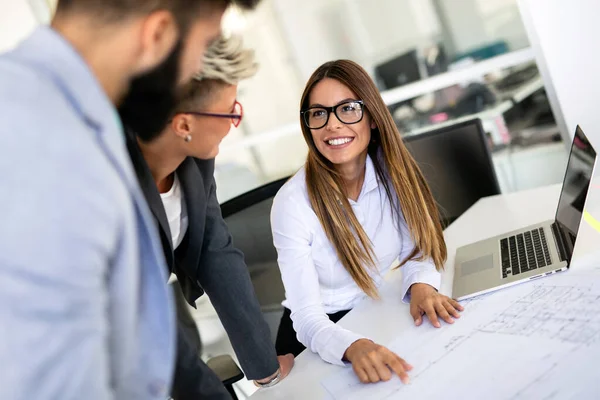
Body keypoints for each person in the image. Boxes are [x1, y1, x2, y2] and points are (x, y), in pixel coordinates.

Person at [0, 1, 258, 399]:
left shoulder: (70, 119)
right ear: (157, 35)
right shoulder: (46, 147)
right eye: (204, 42)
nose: (196, 72)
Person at [271, 59, 464, 384]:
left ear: (372, 117)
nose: (332, 124)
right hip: (317, 339)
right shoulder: (292, 204)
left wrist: (421, 287)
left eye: (347, 108)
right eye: (318, 113)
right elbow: (306, 318)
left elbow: (419, 248)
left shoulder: (394, 174)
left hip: (374, 311)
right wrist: (354, 346)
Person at [123, 35, 294, 398]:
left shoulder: (197, 161)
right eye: (230, 110)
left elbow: (216, 251)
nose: (235, 119)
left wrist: (266, 369)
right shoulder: (108, 183)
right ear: (183, 125)